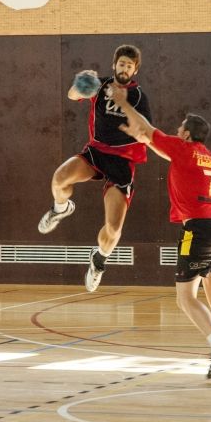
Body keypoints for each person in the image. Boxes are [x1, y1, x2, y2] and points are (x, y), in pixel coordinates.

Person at [109, 86, 211, 378]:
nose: (176, 130)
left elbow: (149, 129)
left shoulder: (182, 148)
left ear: (186, 134)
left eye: (180, 128)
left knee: (185, 298)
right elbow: (155, 142)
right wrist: (144, 139)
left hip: (199, 230)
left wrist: (124, 105)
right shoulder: (207, 155)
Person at [37, 44, 152, 293]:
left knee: (114, 229)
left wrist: (133, 124)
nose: (124, 68)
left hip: (122, 162)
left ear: (135, 70)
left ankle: (98, 261)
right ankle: (60, 209)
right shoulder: (100, 85)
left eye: (129, 66)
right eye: (121, 64)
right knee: (59, 179)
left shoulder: (138, 96)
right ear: (114, 65)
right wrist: (80, 84)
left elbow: (147, 130)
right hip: (97, 151)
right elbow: (72, 96)